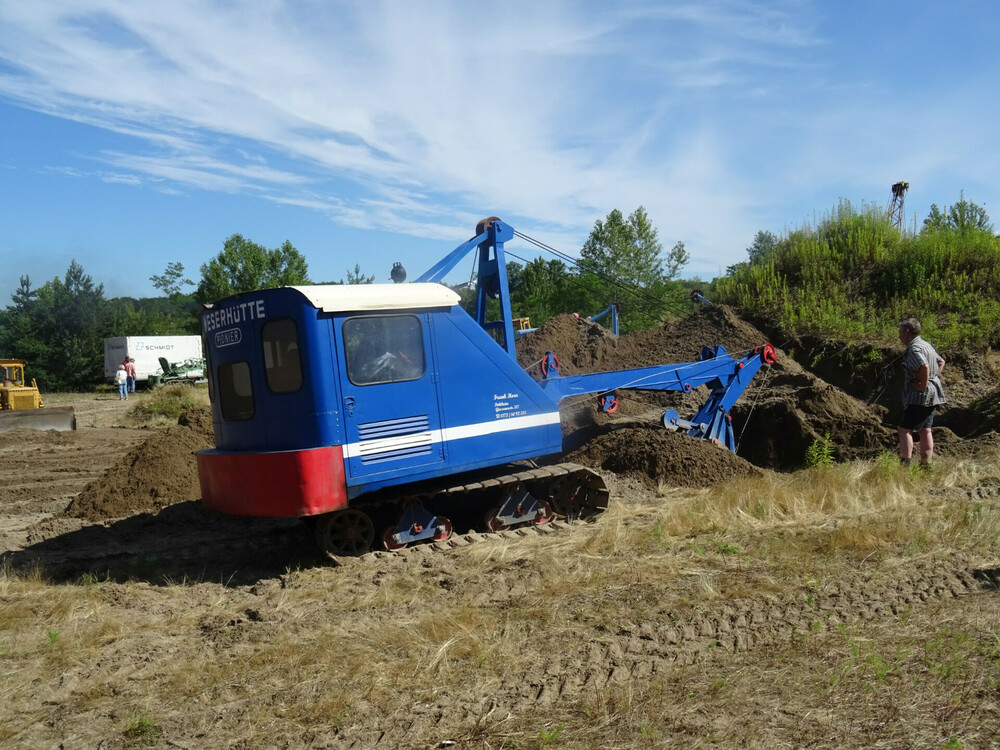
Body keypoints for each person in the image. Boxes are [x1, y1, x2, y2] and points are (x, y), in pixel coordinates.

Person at [897, 318, 946, 468]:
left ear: (907, 332)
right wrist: (935, 377)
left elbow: (924, 366)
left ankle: (905, 465)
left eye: (900, 333)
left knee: (904, 429)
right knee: (926, 430)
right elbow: (941, 361)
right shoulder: (926, 345)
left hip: (920, 396)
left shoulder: (914, 348)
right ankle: (926, 466)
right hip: (933, 394)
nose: (899, 337)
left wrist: (923, 384)